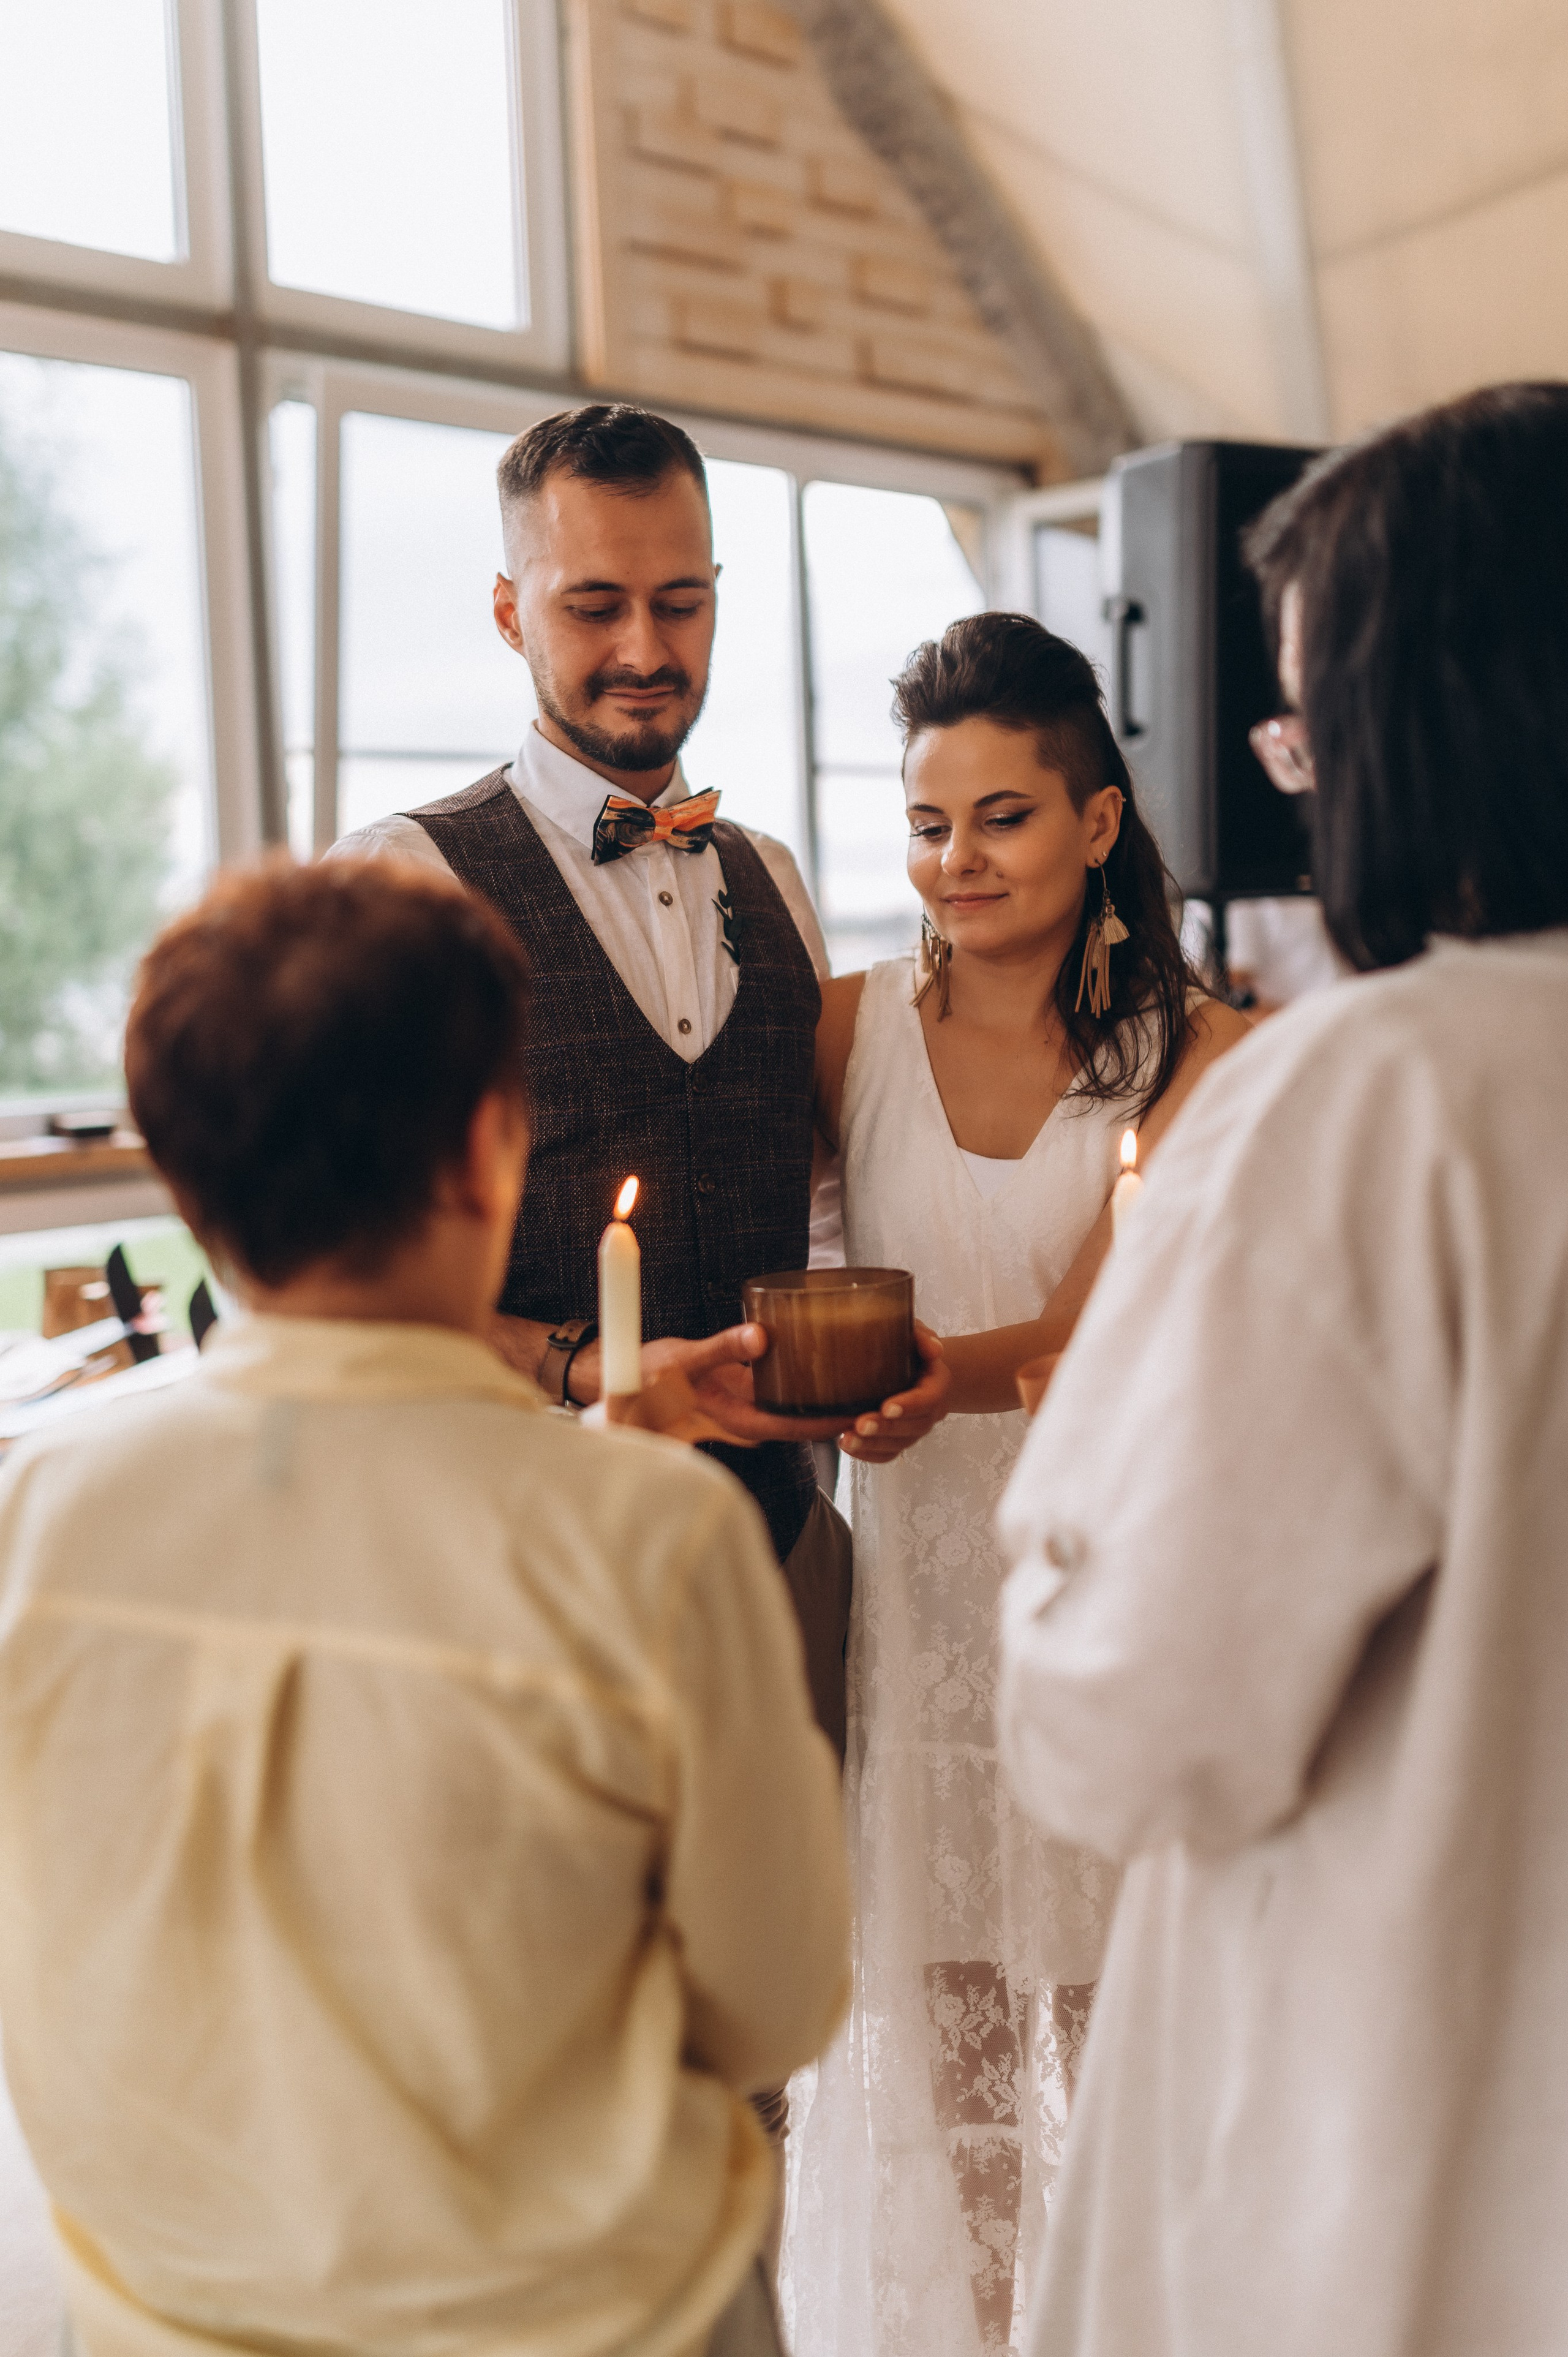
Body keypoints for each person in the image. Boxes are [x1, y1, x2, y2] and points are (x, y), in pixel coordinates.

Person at [0, 860, 851, 2357]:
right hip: (591, 2321)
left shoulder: (39, 1515)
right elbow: (773, 2009)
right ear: (487, 1148)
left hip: (158, 2311)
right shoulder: (647, 1539)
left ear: (183, 1175)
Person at [996, 382, 1568, 2357]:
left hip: (1410, 2146)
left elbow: (1146, 1725)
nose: (1302, 780)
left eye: (1307, 724)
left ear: (1431, 728)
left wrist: (1049, 1568)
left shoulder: (1382, 1096)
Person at [335, 403, 946, 1763]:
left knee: (797, 1967)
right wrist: (579, 1366)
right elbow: (336, 1285)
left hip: (778, 1555)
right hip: (513, 1582)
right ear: (509, 610)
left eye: (679, 603)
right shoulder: (398, 885)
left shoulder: (772, 876)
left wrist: (881, 1365)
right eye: (591, 604)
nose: (642, 651)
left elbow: (824, 1196)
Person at [786, 614, 1250, 2357]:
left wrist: (944, 1374)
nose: (955, 862)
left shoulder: (1209, 1050)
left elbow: (1111, 1319)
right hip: (910, 1599)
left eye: (1001, 817)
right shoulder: (842, 1037)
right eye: (926, 823)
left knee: (1116, 2004)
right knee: (942, 2005)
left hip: (1114, 1585)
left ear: (1099, 824)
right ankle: (982, 2330)